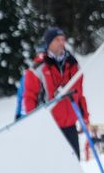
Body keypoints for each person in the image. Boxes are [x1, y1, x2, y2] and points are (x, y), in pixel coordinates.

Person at [22, 27, 89, 159]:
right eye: (57, 40)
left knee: (74, 162)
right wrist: (32, 122)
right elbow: (29, 97)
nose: (61, 42)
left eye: (63, 39)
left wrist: (84, 117)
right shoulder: (38, 67)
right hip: (50, 127)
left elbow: (79, 94)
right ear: (49, 43)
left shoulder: (73, 63)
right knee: (56, 164)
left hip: (70, 124)